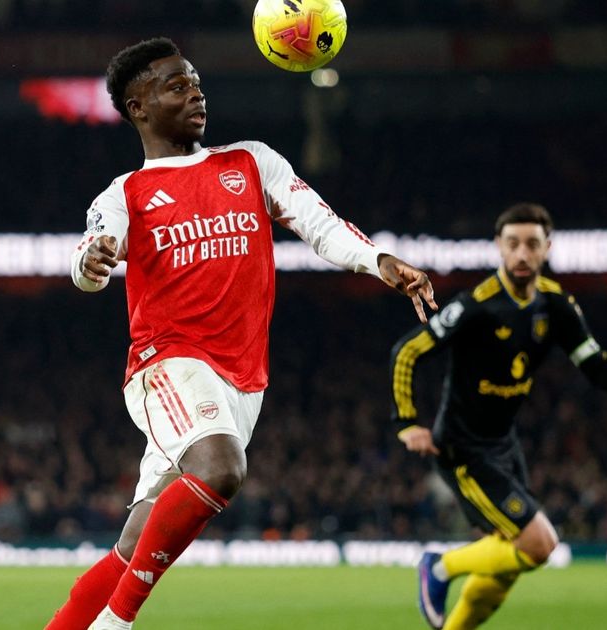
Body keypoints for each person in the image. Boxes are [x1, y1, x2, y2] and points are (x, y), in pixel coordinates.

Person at [46, 37, 438, 630]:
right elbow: (89, 258)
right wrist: (92, 263)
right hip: (166, 364)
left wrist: (379, 260)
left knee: (134, 541)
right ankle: (115, 623)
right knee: (220, 468)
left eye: (196, 81)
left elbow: (321, 223)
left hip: (243, 377)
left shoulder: (252, 162)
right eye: (176, 85)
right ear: (138, 107)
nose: (195, 93)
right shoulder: (125, 193)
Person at [391, 203, 607, 629]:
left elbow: (592, 362)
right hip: (464, 449)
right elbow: (407, 352)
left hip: (505, 445)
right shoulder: (477, 305)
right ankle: (439, 566)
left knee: (507, 564)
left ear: (547, 248)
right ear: (499, 247)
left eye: (532, 244)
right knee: (540, 544)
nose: (522, 253)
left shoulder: (556, 305)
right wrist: (407, 422)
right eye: (513, 244)